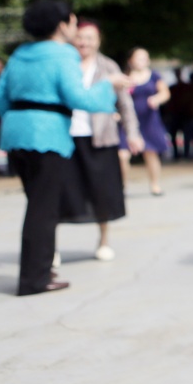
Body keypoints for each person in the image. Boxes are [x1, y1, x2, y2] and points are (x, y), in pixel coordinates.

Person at [0, 0, 130, 295]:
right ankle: (35, 279)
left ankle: (41, 269)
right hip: (47, 136)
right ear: (61, 25)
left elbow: (1, 94)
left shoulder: (20, 53)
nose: (74, 26)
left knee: (37, 203)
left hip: (16, 134)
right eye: (72, 21)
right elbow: (80, 97)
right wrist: (109, 84)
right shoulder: (63, 54)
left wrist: (21, 119)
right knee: (44, 209)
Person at [59, 20, 140, 261]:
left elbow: (125, 104)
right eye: (80, 37)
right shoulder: (64, 63)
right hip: (65, 136)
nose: (84, 42)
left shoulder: (108, 66)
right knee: (59, 191)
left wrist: (133, 133)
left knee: (102, 190)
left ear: (98, 41)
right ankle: (51, 247)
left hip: (100, 136)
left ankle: (104, 240)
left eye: (90, 38)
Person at [119, 48, 171, 197]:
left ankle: (155, 184)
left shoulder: (154, 76)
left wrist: (157, 99)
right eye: (138, 58)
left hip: (149, 119)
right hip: (129, 120)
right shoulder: (125, 77)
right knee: (122, 154)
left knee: (151, 153)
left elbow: (165, 93)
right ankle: (123, 186)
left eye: (144, 58)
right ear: (131, 60)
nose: (141, 61)